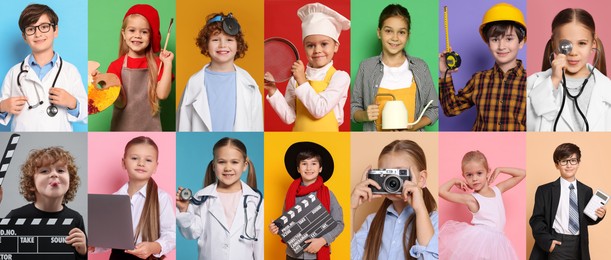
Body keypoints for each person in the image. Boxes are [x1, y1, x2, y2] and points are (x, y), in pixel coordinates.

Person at [439, 2, 526, 131]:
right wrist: (445, 73)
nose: (501, 46)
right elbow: (451, 109)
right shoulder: (479, 79)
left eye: (509, 39)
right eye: (495, 39)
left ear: (521, 42)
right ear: (488, 43)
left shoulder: (532, 82)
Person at [351, 4, 438, 132]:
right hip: (375, 143)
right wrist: (364, 115)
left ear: (408, 35)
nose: (395, 38)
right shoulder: (366, 67)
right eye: (388, 31)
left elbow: (434, 109)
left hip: (412, 144)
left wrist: (416, 125)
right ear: (379, 32)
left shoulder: (420, 67)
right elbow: (353, 108)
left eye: (401, 32)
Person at [0, 4, 87, 131]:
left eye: (44, 27)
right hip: (24, 139)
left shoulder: (70, 71)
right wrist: (2, 106)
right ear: (24, 36)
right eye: (31, 29)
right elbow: (3, 111)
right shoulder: (14, 73)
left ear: (55, 30)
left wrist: (72, 103)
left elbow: (85, 114)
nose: (38, 34)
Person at [265, 3, 350, 132]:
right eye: (310, 45)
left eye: (324, 44)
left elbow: (319, 110)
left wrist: (302, 81)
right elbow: (289, 117)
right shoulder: (295, 79)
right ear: (304, 47)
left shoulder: (340, 77)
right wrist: (273, 91)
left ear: (336, 46)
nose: (317, 50)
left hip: (328, 140)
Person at [89, 136, 176, 259]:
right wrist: (94, 246)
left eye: (148, 160)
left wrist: (153, 247)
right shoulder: (114, 198)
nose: (141, 163)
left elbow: (171, 235)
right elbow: (110, 237)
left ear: (156, 166)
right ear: (124, 163)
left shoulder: (162, 198)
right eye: (134, 158)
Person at [176, 137, 263, 259]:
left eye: (234, 162)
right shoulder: (202, 198)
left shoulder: (255, 200)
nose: (228, 168)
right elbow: (191, 233)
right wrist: (184, 211)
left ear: (244, 165)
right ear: (213, 166)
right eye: (222, 162)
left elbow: (260, 243)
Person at [351, 140, 438, 259]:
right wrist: (351, 208)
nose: (392, 180)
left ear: (421, 178)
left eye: (399, 173)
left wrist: (420, 209)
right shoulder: (372, 222)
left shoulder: (435, 220)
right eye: (386, 173)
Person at [527, 8, 611, 131]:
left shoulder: (607, 88)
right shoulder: (533, 83)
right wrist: (553, 81)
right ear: (554, 44)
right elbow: (526, 124)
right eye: (565, 44)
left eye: (582, 43)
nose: (573, 52)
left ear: (593, 44)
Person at [177, 12, 263, 132]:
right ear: (206, 45)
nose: (223, 45)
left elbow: (257, 128)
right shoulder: (194, 83)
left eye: (229, 39)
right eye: (215, 39)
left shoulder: (250, 84)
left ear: (238, 45)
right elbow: (183, 126)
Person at [438, 151, 524, 259]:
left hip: (499, 242)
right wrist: (454, 181)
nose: (474, 178)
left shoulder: (498, 190)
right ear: (464, 176)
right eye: (469, 175)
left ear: (488, 171)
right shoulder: (472, 199)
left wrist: (500, 169)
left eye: (479, 173)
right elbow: (441, 191)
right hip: (481, 242)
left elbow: (522, 174)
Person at [6, 147, 87, 259]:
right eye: (44, 171)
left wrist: (83, 252)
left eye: (60, 170)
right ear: (31, 184)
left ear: (70, 180)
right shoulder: (15, 217)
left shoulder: (75, 219)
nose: (54, 174)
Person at [530, 143, 606, 260]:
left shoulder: (586, 190)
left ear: (578, 163)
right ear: (557, 165)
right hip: (556, 242)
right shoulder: (544, 190)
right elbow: (536, 220)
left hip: (579, 245)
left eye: (573, 160)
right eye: (564, 161)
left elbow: (586, 219)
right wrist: (548, 243)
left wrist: (599, 215)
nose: (569, 165)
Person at [269, 141, 344, 259]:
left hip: (317, 255)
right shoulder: (290, 194)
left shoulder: (328, 194)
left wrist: (323, 240)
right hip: (293, 255)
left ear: (320, 168)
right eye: (304, 164)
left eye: (313, 163)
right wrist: (277, 229)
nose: (309, 168)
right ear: (298, 169)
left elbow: (339, 224)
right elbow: (288, 226)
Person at [107, 4, 174, 131]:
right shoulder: (115, 66)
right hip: (122, 129)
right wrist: (105, 83)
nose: (137, 35)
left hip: (151, 129)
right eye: (132, 30)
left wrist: (168, 63)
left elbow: (162, 94)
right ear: (124, 34)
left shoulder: (158, 64)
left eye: (144, 32)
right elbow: (120, 103)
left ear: (151, 36)